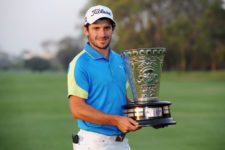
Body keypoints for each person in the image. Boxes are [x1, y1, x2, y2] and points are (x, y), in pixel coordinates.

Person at [67, 5, 139, 150]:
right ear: (86, 30)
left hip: (121, 142)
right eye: (96, 28)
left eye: (107, 28)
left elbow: (121, 97)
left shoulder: (120, 60)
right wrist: (116, 120)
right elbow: (77, 109)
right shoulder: (80, 63)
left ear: (113, 29)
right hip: (94, 143)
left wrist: (146, 116)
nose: (102, 34)